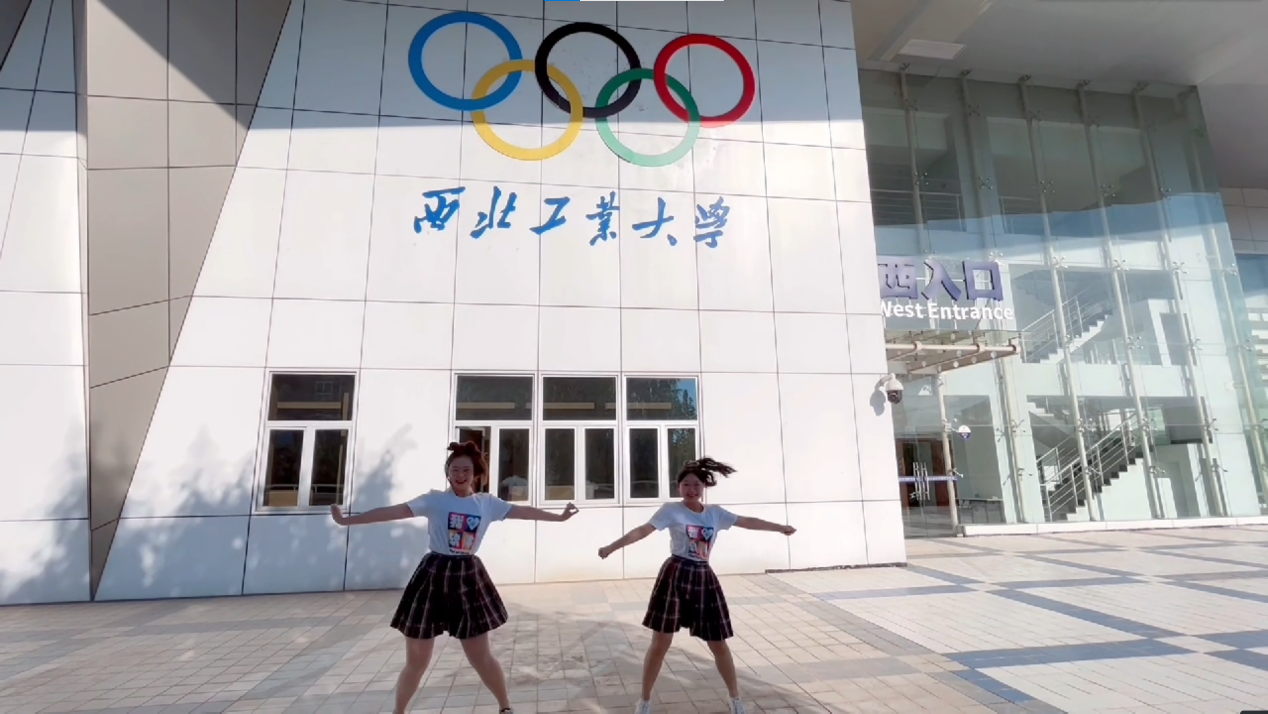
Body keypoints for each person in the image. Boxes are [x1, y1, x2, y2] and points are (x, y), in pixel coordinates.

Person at [330, 441, 578, 714]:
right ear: (447, 472)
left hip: (468, 577)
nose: (460, 475)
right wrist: (346, 521)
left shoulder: (487, 504)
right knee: (417, 661)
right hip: (432, 575)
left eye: (466, 470)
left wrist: (559, 518)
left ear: (476, 474)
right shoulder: (434, 500)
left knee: (481, 657)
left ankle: (505, 708)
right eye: (455, 469)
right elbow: (394, 511)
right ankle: (398, 712)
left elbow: (524, 512)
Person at [597, 458, 796, 714]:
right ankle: (644, 701)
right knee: (660, 643)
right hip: (675, 575)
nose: (691, 489)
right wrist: (612, 547)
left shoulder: (715, 513)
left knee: (718, 643)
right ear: (678, 487)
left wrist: (780, 528)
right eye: (686, 485)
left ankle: (735, 699)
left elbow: (747, 521)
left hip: (703, 577)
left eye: (696, 485)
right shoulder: (671, 510)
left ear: (704, 487)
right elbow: (643, 530)